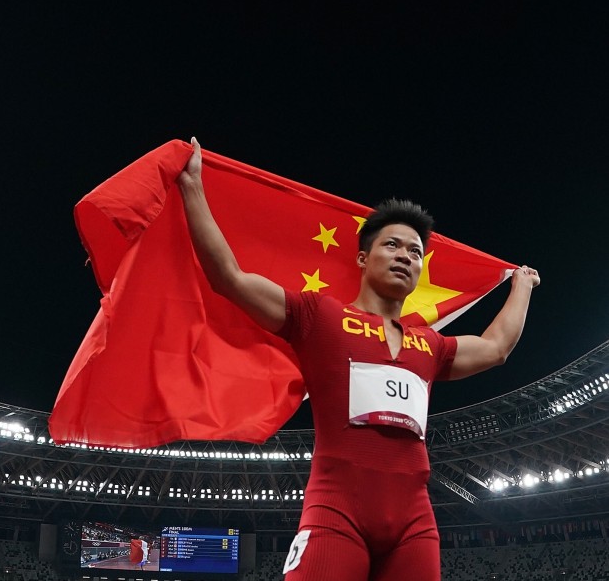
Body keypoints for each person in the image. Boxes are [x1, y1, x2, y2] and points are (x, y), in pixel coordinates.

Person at [176, 138, 540, 581]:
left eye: (415, 252)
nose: (406, 256)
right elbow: (229, 278)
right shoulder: (320, 316)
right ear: (363, 258)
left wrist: (521, 286)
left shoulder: (430, 345)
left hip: (414, 524)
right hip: (336, 513)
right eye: (393, 245)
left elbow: (496, 347)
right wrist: (193, 187)